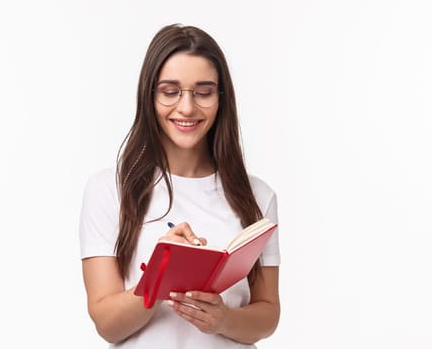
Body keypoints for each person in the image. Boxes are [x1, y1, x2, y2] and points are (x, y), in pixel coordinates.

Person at [78, 24, 281, 348]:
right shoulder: (110, 190)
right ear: (150, 95)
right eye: (170, 91)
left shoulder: (256, 196)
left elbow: (268, 315)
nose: (187, 108)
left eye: (203, 92)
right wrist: (161, 274)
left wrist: (224, 320)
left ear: (221, 97)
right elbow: (107, 324)